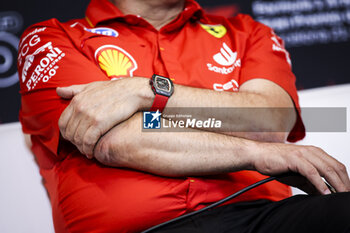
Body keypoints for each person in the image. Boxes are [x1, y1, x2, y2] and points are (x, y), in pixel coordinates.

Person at [17, 0, 350, 232]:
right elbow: (116, 139)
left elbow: (269, 122)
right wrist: (256, 152)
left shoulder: (249, 33)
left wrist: (147, 92)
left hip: (264, 218)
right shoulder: (52, 38)